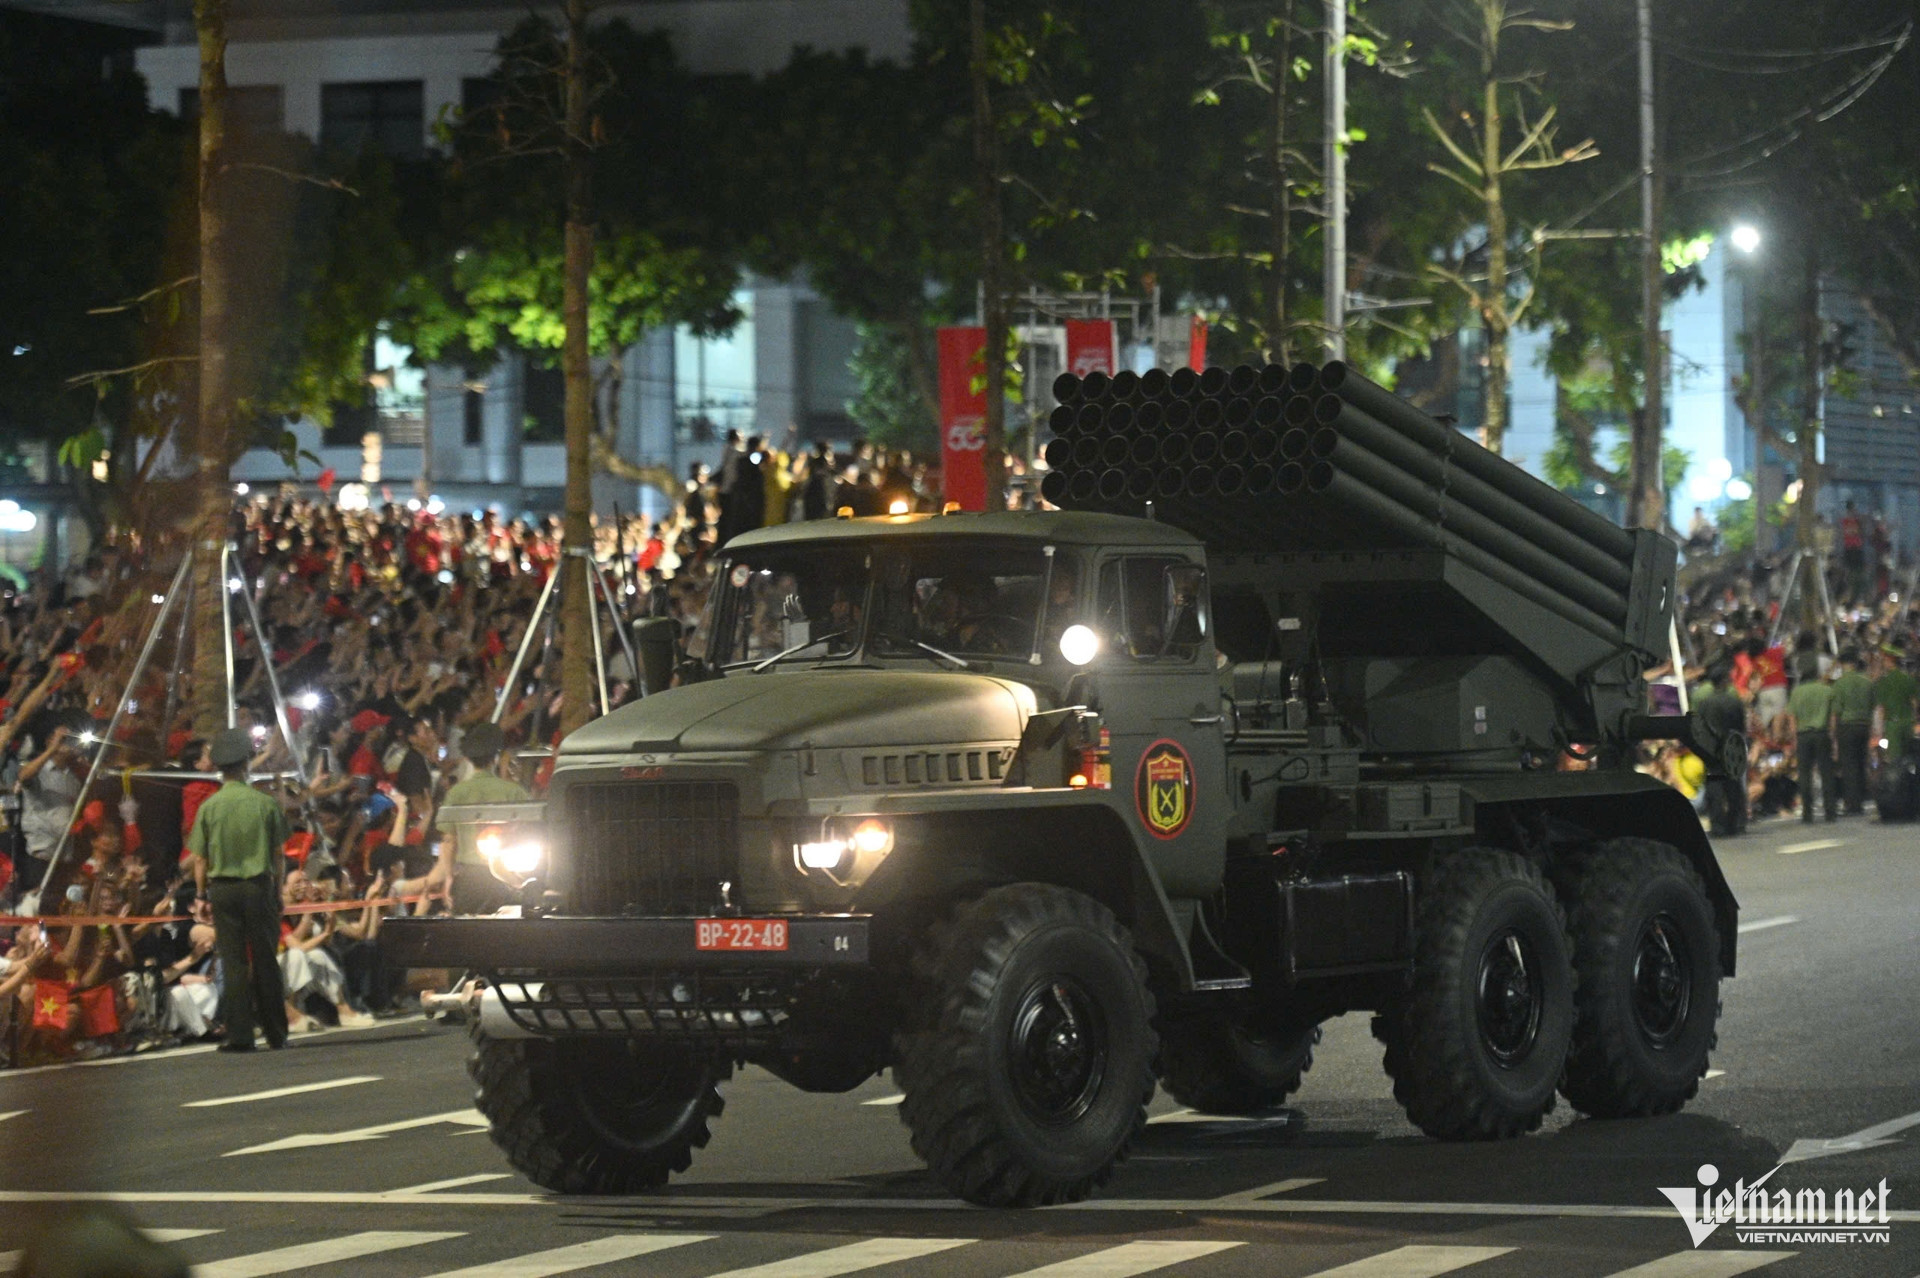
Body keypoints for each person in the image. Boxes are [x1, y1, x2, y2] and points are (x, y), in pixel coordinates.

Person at [188, 728, 291, 1052]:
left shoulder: (209, 807)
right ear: (247, 763)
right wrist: (277, 892)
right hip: (258, 886)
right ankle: (276, 1032)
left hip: (223, 889)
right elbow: (278, 855)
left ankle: (241, 1035)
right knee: (265, 959)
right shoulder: (265, 804)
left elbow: (200, 859)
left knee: (233, 962)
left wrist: (202, 894)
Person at [439, 722, 531, 916]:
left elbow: (448, 841)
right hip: (505, 875)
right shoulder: (514, 791)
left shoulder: (456, 793)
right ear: (496, 757)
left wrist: (448, 877)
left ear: (469, 759)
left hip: (467, 878)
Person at [1785, 664, 1838, 824]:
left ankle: (1807, 813)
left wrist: (1794, 739)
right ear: (1817, 675)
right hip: (1821, 734)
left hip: (1803, 736)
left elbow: (1792, 718)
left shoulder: (1796, 692)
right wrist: (1832, 735)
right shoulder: (1827, 690)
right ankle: (1830, 812)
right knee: (1826, 773)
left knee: (1804, 774)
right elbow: (1833, 717)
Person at [1830, 650, 1874, 816]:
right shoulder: (1867, 682)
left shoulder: (1839, 684)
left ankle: (1852, 804)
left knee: (1849, 766)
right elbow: (1872, 706)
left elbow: (1836, 711)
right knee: (1862, 762)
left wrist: (1833, 735)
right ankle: (1862, 799)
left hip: (1847, 726)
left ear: (1842, 664)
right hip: (1864, 725)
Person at [1873, 650, 1919, 763]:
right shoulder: (1908, 679)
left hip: (1892, 726)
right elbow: (1915, 703)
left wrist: (1879, 731)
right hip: (1908, 723)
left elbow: (1881, 709)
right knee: (1910, 756)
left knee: (1895, 759)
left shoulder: (1883, 682)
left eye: (1884, 660)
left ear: (1889, 661)